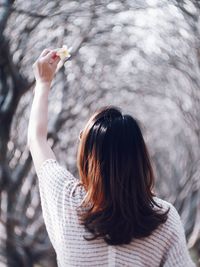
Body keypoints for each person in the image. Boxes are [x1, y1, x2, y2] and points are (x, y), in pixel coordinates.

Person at [27, 49, 195, 267]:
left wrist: (43, 82)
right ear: (139, 157)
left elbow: (36, 140)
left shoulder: (66, 200)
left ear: (88, 156)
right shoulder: (163, 220)